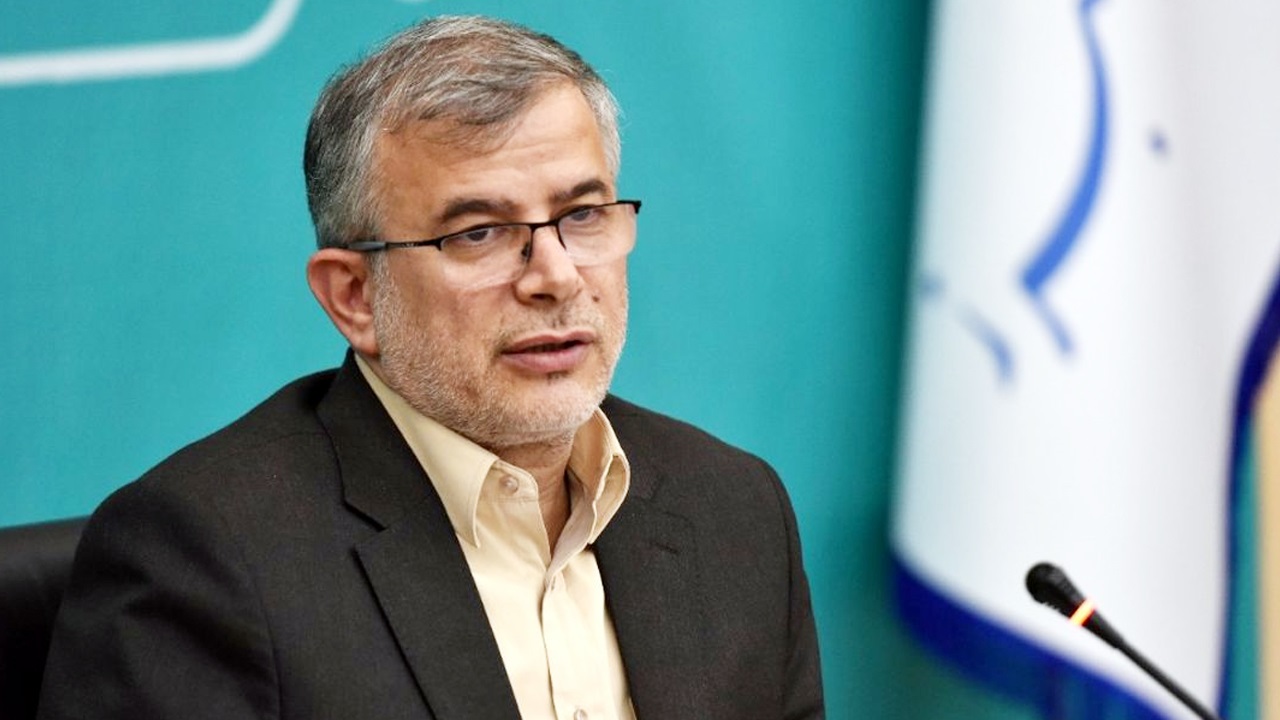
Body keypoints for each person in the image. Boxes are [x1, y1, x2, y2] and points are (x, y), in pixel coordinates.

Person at [38, 15, 823, 720]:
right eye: (478, 233)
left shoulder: (733, 509)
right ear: (354, 296)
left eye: (582, 215)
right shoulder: (206, 560)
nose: (555, 276)